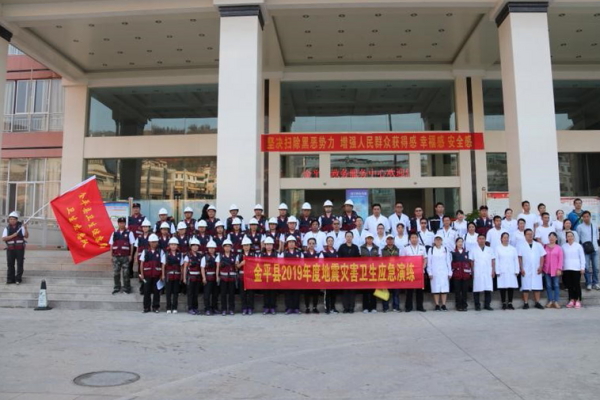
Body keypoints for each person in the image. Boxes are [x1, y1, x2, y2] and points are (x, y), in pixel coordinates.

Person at [518, 229, 546, 310]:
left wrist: (541, 266)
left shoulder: (538, 245)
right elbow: (519, 257)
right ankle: (526, 303)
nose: (530, 235)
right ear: (525, 236)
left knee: (537, 286)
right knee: (525, 286)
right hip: (525, 269)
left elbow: (542, 256)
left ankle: (537, 302)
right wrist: (521, 268)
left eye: (531, 234)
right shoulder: (521, 245)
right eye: (528, 234)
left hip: (536, 268)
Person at [108, 217, 135, 295]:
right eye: (120, 223)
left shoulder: (129, 233)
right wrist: (111, 255)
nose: (121, 224)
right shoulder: (114, 233)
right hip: (116, 256)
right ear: (118, 223)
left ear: (125, 224)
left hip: (125, 256)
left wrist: (131, 255)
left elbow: (132, 245)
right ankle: (117, 287)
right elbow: (111, 245)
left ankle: (127, 288)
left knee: (126, 273)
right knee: (116, 273)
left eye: (123, 223)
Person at [403, 232, 427, 312]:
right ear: (410, 239)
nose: (414, 239)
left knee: (420, 290)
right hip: (410, 271)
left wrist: (423, 267)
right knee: (409, 290)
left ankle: (420, 306)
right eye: (412, 237)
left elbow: (425, 259)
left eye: (415, 237)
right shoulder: (406, 248)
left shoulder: (422, 247)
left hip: (420, 272)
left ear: (418, 238)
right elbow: (403, 260)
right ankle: (408, 307)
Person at [139, 233, 163, 313]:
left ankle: (156, 307)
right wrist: (142, 274)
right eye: (152, 242)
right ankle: (146, 307)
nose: (153, 243)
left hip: (157, 275)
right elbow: (142, 263)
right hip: (147, 275)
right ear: (149, 242)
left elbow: (163, 264)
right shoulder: (145, 251)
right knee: (146, 291)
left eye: (155, 242)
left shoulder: (160, 251)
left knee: (157, 291)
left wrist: (162, 275)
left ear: (157, 242)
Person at [470, 234, 495, 311]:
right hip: (478, 271)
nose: (481, 240)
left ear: (485, 240)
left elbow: (493, 260)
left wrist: (493, 270)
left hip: (488, 271)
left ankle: (487, 305)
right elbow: (472, 261)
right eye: (480, 238)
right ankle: (477, 305)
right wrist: (472, 271)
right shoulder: (473, 250)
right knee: (477, 288)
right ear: (477, 240)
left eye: (483, 238)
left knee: (488, 288)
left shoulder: (490, 249)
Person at [495, 232, 519, 310]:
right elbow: (497, 260)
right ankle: (503, 303)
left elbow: (516, 260)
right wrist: (497, 271)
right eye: (504, 237)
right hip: (502, 270)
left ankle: (510, 303)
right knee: (502, 287)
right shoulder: (498, 248)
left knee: (510, 287)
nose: (506, 239)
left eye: (507, 237)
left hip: (511, 270)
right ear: (501, 239)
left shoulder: (513, 249)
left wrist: (516, 270)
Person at [338, 231, 361, 313]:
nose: (349, 238)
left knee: (352, 290)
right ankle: (345, 307)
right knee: (345, 290)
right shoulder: (342, 247)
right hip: (344, 271)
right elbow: (339, 259)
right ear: (345, 237)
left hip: (353, 271)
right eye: (347, 236)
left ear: (352, 237)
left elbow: (358, 259)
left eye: (350, 236)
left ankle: (351, 307)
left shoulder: (355, 247)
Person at [3, 211, 28, 285]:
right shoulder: (7, 228)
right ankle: (10, 279)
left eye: (14, 219)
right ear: (8, 220)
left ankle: (18, 279)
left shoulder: (21, 227)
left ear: (17, 220)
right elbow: (4, 238)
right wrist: (13, 236)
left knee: (20, 264)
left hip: (19, 249)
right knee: (10, 264)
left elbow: (26, 236)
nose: (12, 220)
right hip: (10, 249)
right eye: (10, 219)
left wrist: (26, 228)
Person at [561, 231, 586, 309]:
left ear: (574, 237)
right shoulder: (563, 246)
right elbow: (562, 258)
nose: (570, 237)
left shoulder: (578, 246)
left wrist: (582, 267)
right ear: (566, 238)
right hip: (566, 268)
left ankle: (578, 299)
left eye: (571, 236)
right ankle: (571, 299)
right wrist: (561, 267)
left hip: (576, 268)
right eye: (568, 236)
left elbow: (582, 257)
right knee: (569, 285)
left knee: (576, 284)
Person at [428, 235, 452, 311]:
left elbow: (448, 261)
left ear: (441, 241)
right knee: (436, 289)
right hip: (434, 272)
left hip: (444, 271)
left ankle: (444, 305)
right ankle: (437, 305)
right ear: (434, 241)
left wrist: (450, 272)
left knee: (444, 288)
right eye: (436, 239)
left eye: (439, 239)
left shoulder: (445, 249)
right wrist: (429, 272)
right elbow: (429, 262)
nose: (438, 241)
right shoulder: (431, 249)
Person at [576, 211, 599, 291]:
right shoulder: (579, 227)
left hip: (595, 249)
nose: (586, 218)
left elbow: (597, 236)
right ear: (582, 218)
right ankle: (588, 283)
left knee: (596, 267)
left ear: (590, 217)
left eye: (587, 216)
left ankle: (596, 283)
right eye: (584, 217)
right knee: (586, 267)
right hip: (585, 250)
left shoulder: (594, 225)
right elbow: (578, 239)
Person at [280, 236, 303, 314]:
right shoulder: (284, 253)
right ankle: (288, 308)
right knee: (288, 292)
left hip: (297, 275)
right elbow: (281, 264)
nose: (291, 244)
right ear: (287, 244)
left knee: (297, 292)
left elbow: (302, 263)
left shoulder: (299, 253)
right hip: (287, 275)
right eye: (290, 242)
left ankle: (296, 308)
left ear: (295, 243)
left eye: (293, 242)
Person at [162, 237, 184, 314]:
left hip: (177, 276)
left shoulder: (180, 254)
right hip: (169, 276)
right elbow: (163, 265)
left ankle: (174, 307)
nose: (173, 246)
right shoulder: (166, 254)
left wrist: (182, 275)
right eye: (172, 244)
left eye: (175, 244)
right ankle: (168, 307)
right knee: (168, 292)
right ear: (169, 245)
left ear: (177, 246)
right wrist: (163, 275)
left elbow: (181, 266)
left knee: (175, 292)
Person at [360, 233, 380, 313]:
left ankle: (373, 307)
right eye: (368, 238)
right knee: (365, 290)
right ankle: (365, 307)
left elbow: (379, 259)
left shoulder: (376, 248)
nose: (369, 240)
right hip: (364, 271)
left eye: (371, 238)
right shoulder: (361, 248)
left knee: (373, 290)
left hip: (374, 271)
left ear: (372, 239)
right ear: (366, 239)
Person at [543, 232, 563, 309]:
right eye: (550, 236)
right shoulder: (545, 247)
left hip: (555, 270)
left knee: (556, 285)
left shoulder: (559, 248)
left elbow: (560, 259)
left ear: (556, 238)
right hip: (546, 269)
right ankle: (550, 301)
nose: (551, 238)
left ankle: (556, 301)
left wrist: (559, 269)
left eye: (553, 236)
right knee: (548, 285)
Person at [381, 235, 400, 312]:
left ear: (393, 240)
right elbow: (379, 261)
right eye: (388, 239)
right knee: (385, 290)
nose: (390, 240)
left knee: (396, 291)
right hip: (385, 272)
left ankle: (396, 307)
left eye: (391, 239)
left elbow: (401, 260)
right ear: (386, 241)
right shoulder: (382, 250)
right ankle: (385, 307)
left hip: (395, 272)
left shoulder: (398, 250)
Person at [451, 237, 471, 312]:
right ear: (456, 243)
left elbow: (469, 263)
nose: (460, 243)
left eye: (461, 242)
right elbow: (451, 263)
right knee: (457, 291)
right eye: (459, 242)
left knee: (464, 291)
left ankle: (464, 305)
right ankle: (458, 305)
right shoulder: (453, 253)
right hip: (457, 275)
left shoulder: (466, 252)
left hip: (465, 275)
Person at [183, 238, 202, 315]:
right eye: (193, 245)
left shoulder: (200, 255)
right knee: (190, 293)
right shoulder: (188, 256)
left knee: (196, 293)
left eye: (196, 245)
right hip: (190, 277)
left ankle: (195, 308)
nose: (195, 247)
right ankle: (190, 308)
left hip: (197, 277)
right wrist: (184, 278)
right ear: (191, 247)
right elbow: (185, 267)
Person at [303, 237, 322, 314]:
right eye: (310, 243)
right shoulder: (304, 254)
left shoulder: (318, 254)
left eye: (313, 243)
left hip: (315, 275)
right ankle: (307, 307)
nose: (311, 245)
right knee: (306, 292)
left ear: (315, 244)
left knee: (315, 292)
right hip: (307, 275)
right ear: (307, 244)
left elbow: (321, 264)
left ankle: (315, 307)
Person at [237, 237, 256, 315]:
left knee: (251, 293)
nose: (246, 247)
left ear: (250, 246)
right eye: (244, 245)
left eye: (247, 245)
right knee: (243, 293)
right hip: (242, 276)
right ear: (242, 246)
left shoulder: (254, 254)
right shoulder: (239, 255)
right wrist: (241, 264)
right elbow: (236, 266)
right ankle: (244, 308)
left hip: (250, 276)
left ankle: (250, 308)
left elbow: (257, 265)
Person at [201, 240, 220, 315]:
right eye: (210, 248)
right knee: (207, 294)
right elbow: (202, 268)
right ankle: (207, 309)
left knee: (215, 294)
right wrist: (204, 278)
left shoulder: (217, 256)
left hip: (215, 277)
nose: (211, 249)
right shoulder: (204, 257)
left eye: (213, 248)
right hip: (207, 277)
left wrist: (217, 277)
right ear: (208, 249)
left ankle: (214, 308)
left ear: (215, 249)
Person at [218, 239, 237, 315]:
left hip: (232, 278)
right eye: (225, 246)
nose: (227, 248)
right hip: (223, 278)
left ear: (231, 247)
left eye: (229, 246)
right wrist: (217, 276)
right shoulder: (220, 256)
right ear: (223, 247)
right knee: (223, 294)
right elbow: (217, 267)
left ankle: (231, 309)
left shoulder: (235, 256)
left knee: (232, 294)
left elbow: (236, 266)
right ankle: (224, 309)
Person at [260, 237, 278, 315]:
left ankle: (273, 307)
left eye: (270, 244)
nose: (269, 246)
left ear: (273, 245)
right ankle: (266, 307)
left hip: (273, 276)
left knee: (273, 293)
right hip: (265, 276)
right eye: (267, 244)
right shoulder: (262, 254)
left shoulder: (276, 254)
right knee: (266, 292)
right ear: (265, 245)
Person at [127, 202, 146, 279]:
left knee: (140, 258)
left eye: (137, 208)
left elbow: (146, 229)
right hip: (131, 242)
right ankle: (130, 273)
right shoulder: (129, 218)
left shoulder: (143, 218)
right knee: (130, 257)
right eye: (134, 208)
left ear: (139, 209)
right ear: (132, 209)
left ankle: (140, 273)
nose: (136, 209)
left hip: (140, 241)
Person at [135, 219, 153, 294]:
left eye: (146, 227)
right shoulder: (139, 237)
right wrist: (136, 258)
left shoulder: (152, 237)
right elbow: (137, 248)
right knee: (141, 273)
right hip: (141, 259)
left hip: (149, 258)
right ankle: (143, 287)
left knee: (148, 273)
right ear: (142, 228)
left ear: (149, 227)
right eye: (144, 227)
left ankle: (146, 288)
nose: (145, 228)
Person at [322, 235, 339, 314]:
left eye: (331, 241)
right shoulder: (324, 252)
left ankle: (333, 307)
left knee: (334, 292)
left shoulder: (336, 252)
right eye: (329, 241)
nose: (330, 242)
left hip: (334, 274)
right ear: (327, 242)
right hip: (327, 274)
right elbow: (321, 263)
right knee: (327, 292)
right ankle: (327, 308)